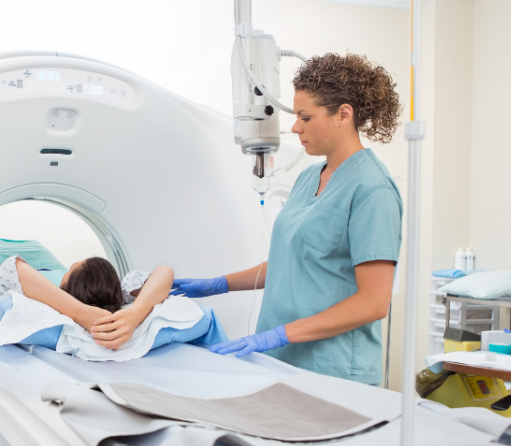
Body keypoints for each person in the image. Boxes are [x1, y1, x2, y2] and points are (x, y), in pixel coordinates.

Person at [173, 53, 403, 385]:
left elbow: (373, 303)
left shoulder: (373, 190)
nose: (295, 127)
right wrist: (219, 285)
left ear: (343, 114)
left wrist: (279, 334)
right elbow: (291, 263)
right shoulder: (310, 177)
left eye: (305, 117)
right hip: (281, 360)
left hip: (332, 370)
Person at [0, 239, 173, 351]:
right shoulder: (113, 292)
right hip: (43, 259)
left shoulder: (44, 298)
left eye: (70, 269)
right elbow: (164, 272)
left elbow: (12, 265)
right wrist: (82, 312)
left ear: (66, 284)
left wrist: (134, 315)